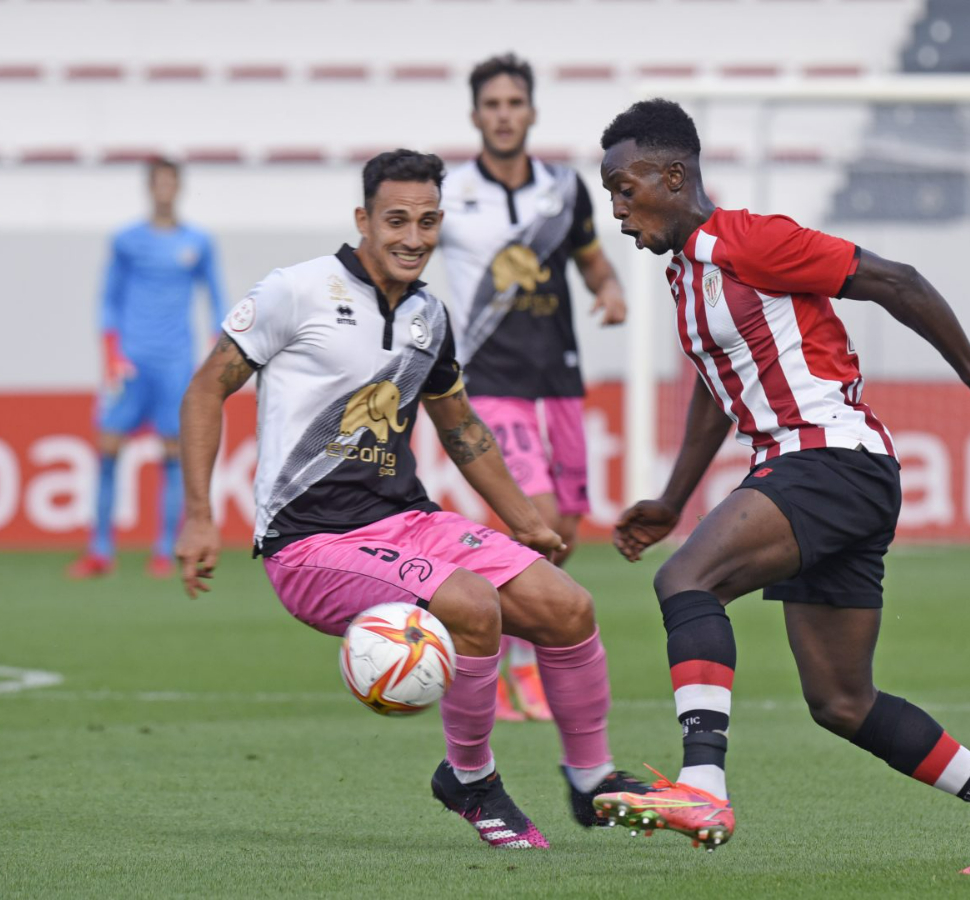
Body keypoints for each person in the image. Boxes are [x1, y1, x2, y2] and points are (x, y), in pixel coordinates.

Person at [588, 99, 970, 875]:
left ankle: (701, 785)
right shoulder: (690, 273)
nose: (617, 210)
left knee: (688, 579)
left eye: (625, 187)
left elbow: (896, 280)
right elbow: (721, 387)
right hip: (828, 473)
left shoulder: (751, 240)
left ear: (674, 175)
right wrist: (675, 497)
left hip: (829, 460)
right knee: (842, 703)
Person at [174, 150, 650, 851]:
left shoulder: (430, 316)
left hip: (409, 522)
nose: (413, 237)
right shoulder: (296, 291)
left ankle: (592, 780)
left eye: (428, 222)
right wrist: (198, 515)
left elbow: (460, 428)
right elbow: (205, 389)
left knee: (568, 606)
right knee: (472, 606)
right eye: (396, 220)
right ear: (363, 220)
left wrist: (528, 525)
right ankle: (471, 778)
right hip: (310, 545)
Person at [437, 54, 627, 724]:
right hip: (487, 380)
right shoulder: (449, 194)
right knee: (535, 514)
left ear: (531, 111)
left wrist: (609, 290)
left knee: (566, 530)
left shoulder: (563, 189)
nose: (504, 115)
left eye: (514, 103)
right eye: (492, 105)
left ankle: (515, 652)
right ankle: (515, 667)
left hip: (560, 379)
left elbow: (590, 260)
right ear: (476, 116)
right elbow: (401, 256)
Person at [67, 157, 225, 579]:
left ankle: (163, 550)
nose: (164, 189)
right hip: (131, 361)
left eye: (171, 182)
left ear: (179, 187)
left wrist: (216, 351)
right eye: (158, 182)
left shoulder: (199, 242)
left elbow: (217, 298)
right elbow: (108, 299)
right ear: (149, 187)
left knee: (174, 455)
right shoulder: (126, 240)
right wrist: (111, 354)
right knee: (106, 450)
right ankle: (100, 551)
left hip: (174, 362)